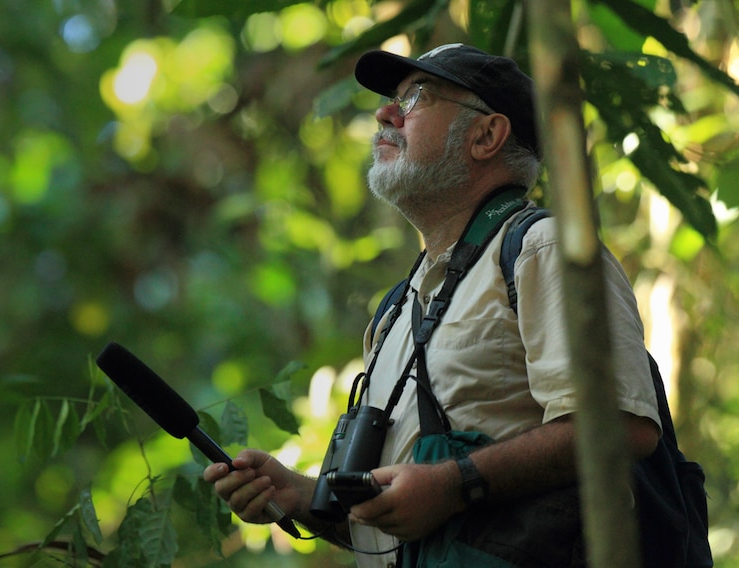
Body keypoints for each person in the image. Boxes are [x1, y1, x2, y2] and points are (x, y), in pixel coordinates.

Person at [204, 43, 662, 567]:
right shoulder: (394, 311)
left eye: (416, 97)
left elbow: (622, 427)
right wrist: (300, 496)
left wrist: (452, 484)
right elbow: (398, 530)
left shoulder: (542, 249)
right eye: (392, 100)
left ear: (486, 136)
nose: (385, 113)